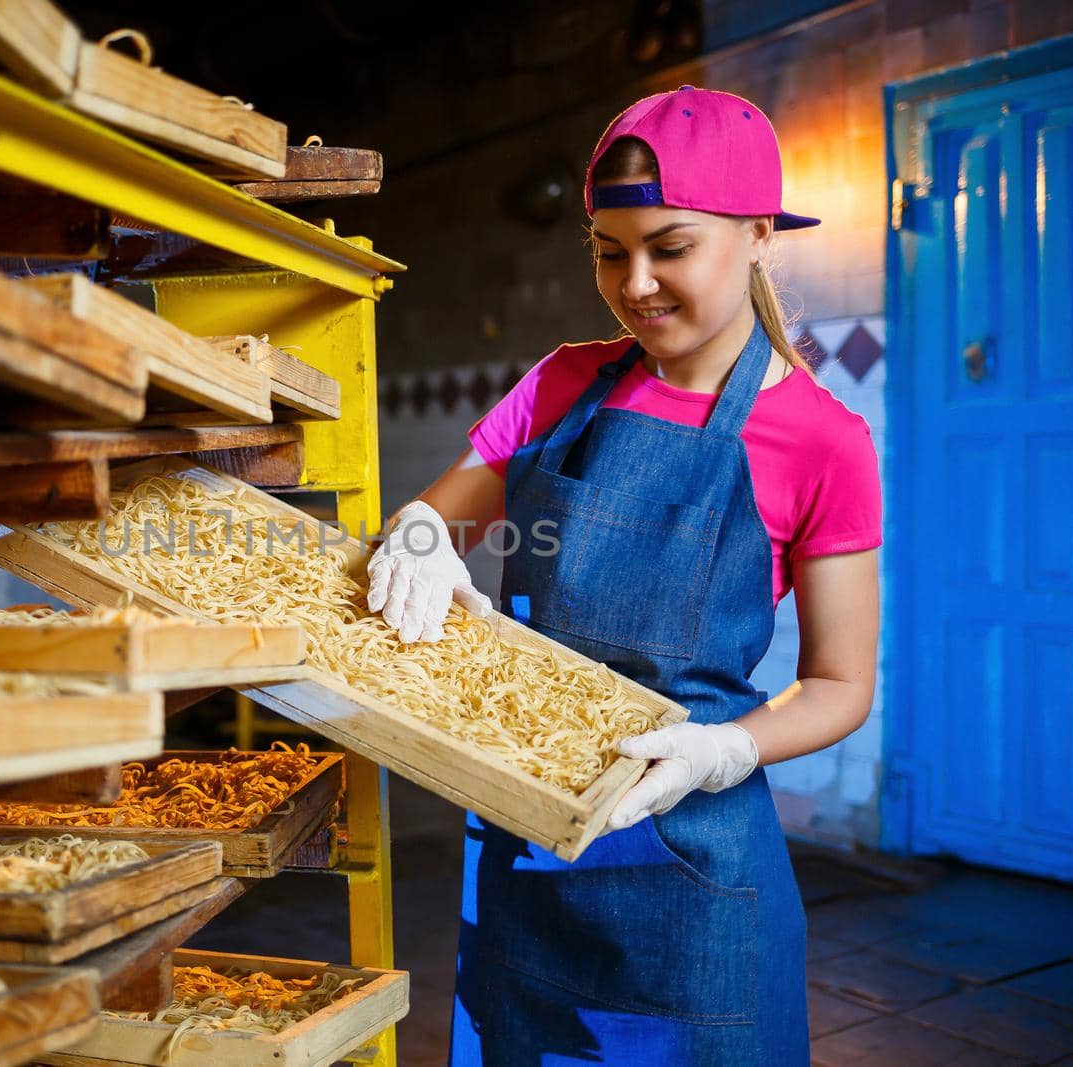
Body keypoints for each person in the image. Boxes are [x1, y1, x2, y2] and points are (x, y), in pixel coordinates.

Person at [367, 86, 881, 1064]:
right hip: (527, 847)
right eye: (609, 250)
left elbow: (840, 684)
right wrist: (423, 541)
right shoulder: (561, 381)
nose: (634, 282)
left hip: (693, 868)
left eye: (669, 246)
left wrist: (723, 749)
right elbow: (436, 514)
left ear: (759, 233)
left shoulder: (824, 440)